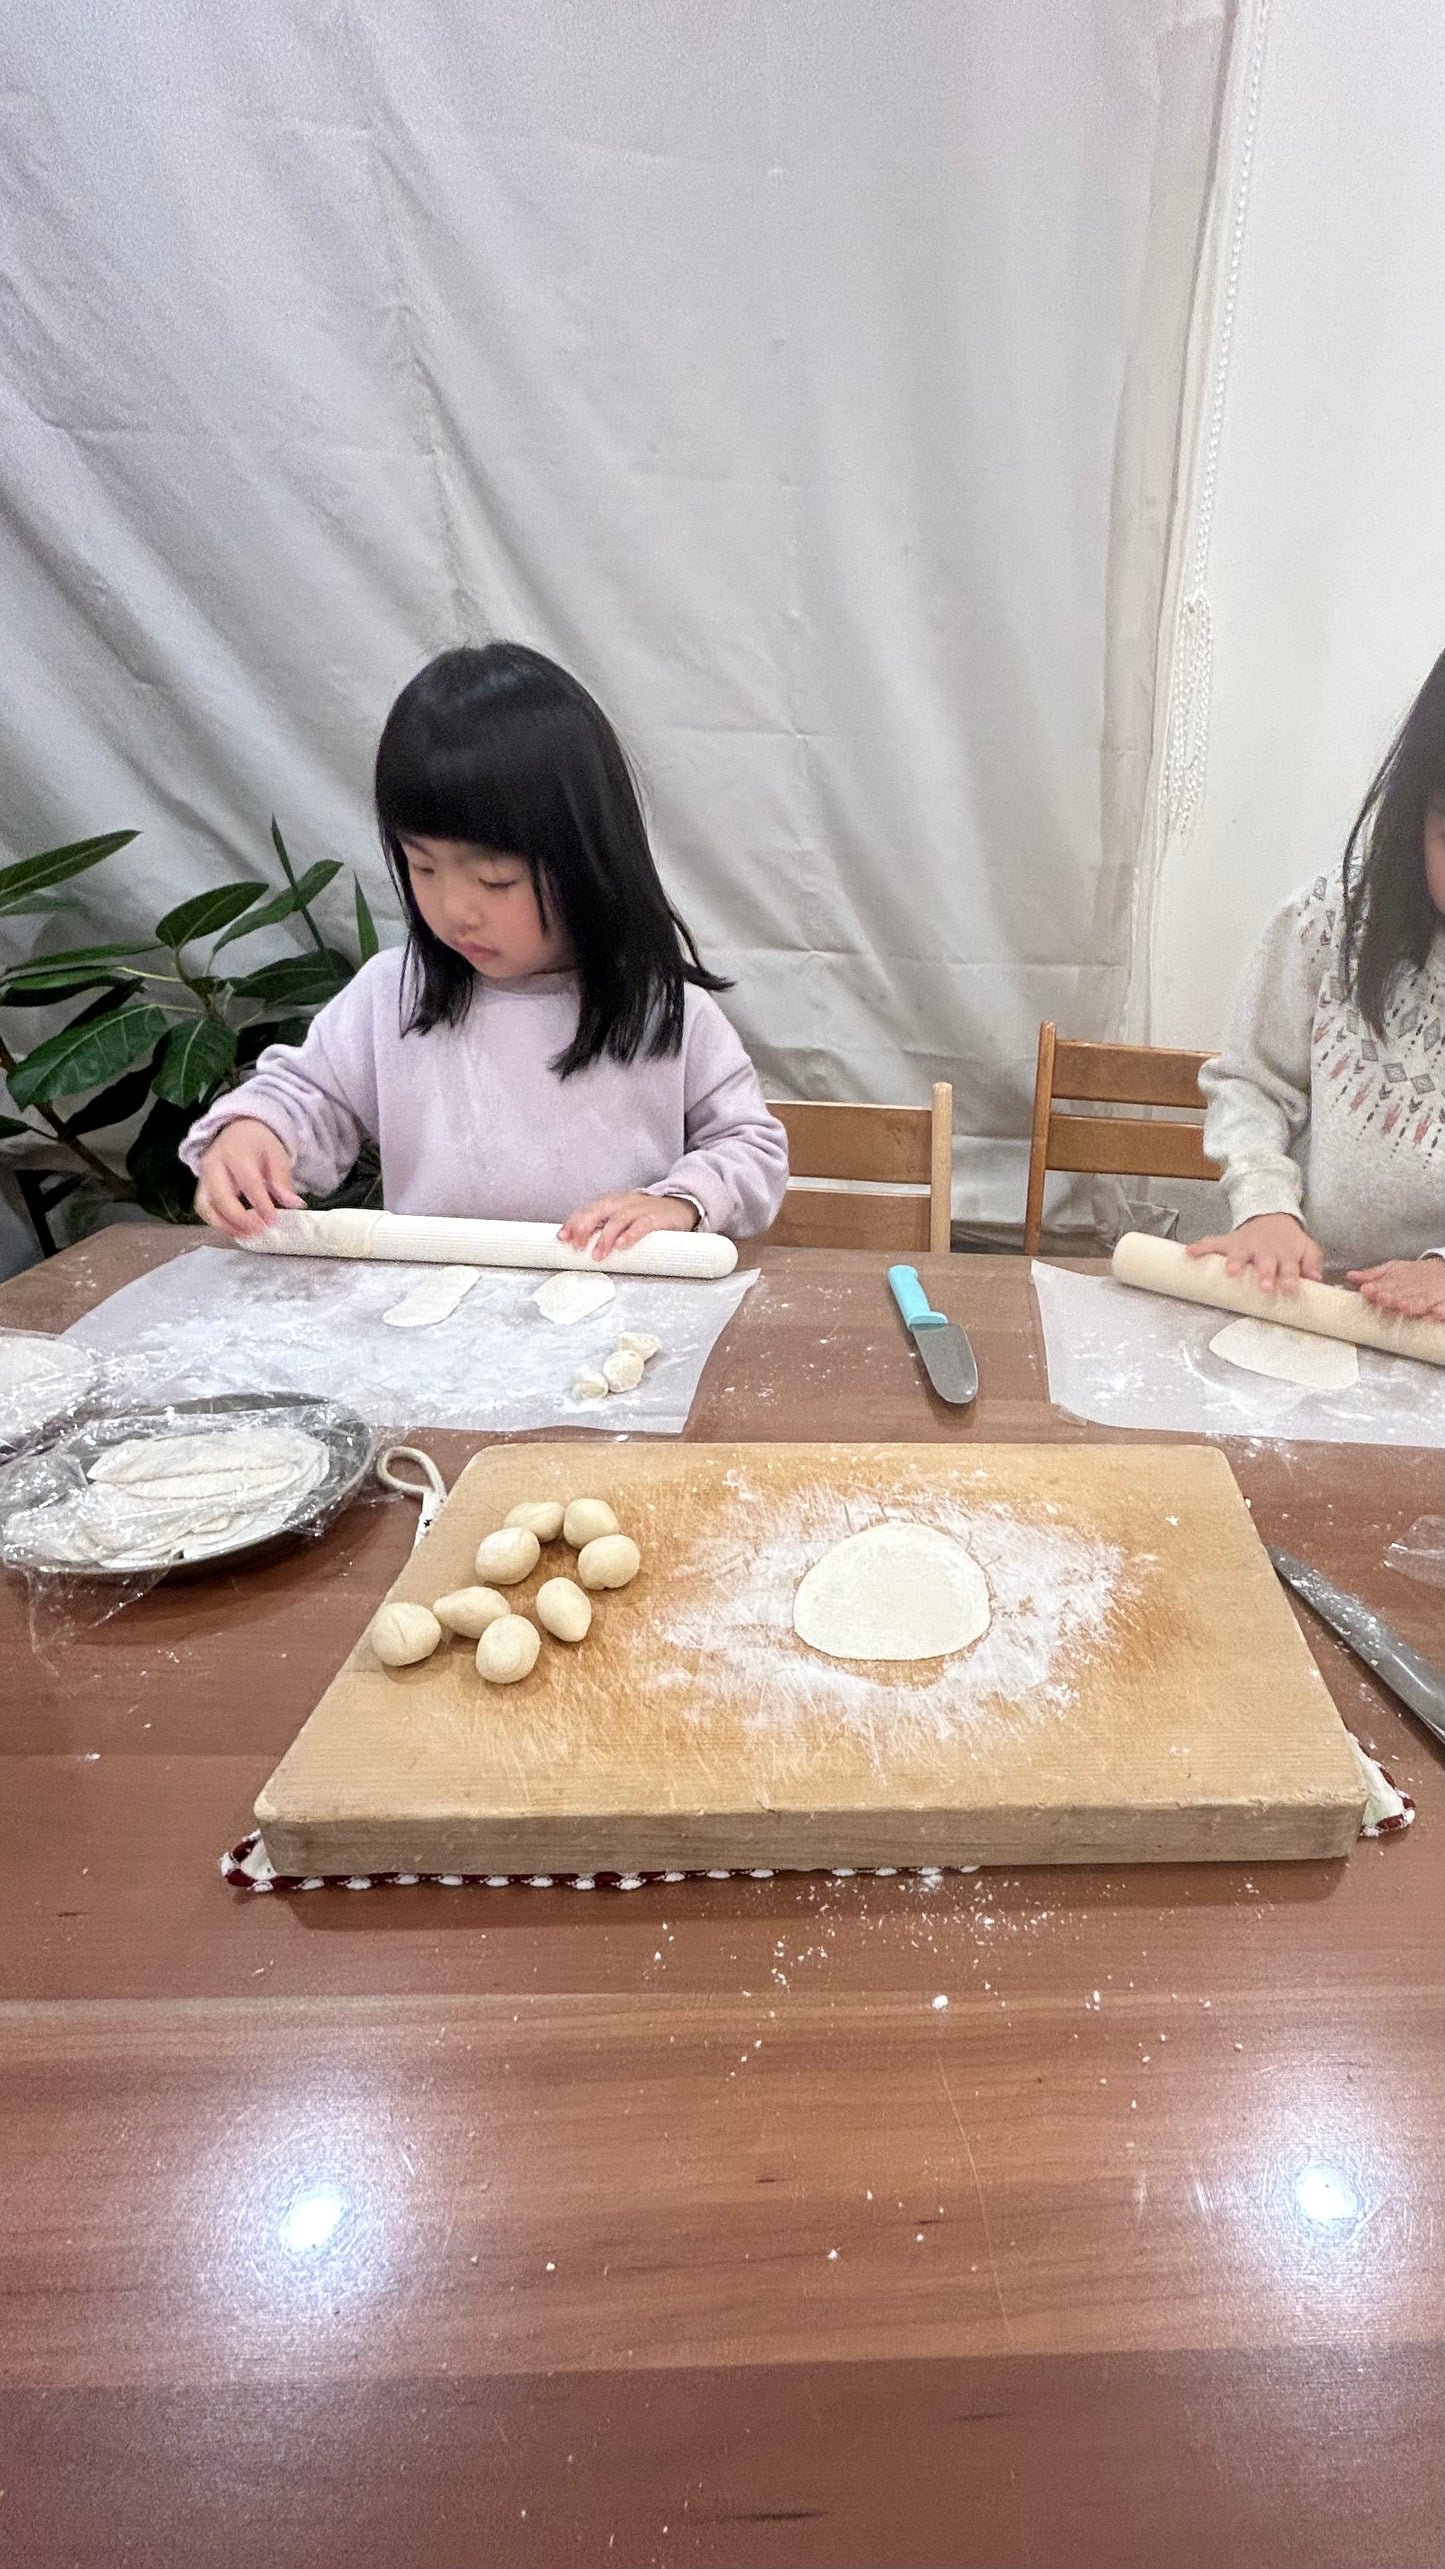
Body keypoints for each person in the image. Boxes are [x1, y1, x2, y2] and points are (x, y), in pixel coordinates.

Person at [184, 644, 789, 1255]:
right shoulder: (394, 995)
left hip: (616, 1309)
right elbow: (308, 1096)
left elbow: (749, 1150)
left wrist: (679, 1202)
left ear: (586, 861)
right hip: (434, 1323)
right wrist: (255, 1131)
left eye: (495, 880)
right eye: (422, 867)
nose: (454, 910)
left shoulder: (664, 1010)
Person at [1189, 647, 1445, 1324]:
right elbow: (1250, 1081)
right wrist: (1266, 1207)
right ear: (1416, 812)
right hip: (1303, 1297)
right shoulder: (1330, 922)